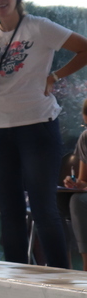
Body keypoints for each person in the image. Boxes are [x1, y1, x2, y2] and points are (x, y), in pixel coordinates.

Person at [0, 0, 87, 267]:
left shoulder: (39, 27)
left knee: (43, 208)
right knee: (9, 211)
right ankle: (16, 279)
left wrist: (55, 76)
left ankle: (60, 279)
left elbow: (84, 49)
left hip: (37, 126)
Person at [62, 98, 87, 269]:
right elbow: (83, 180)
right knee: (58, 202)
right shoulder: (85, 138)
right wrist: (74, 183)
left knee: (78, 201)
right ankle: (64, 265)